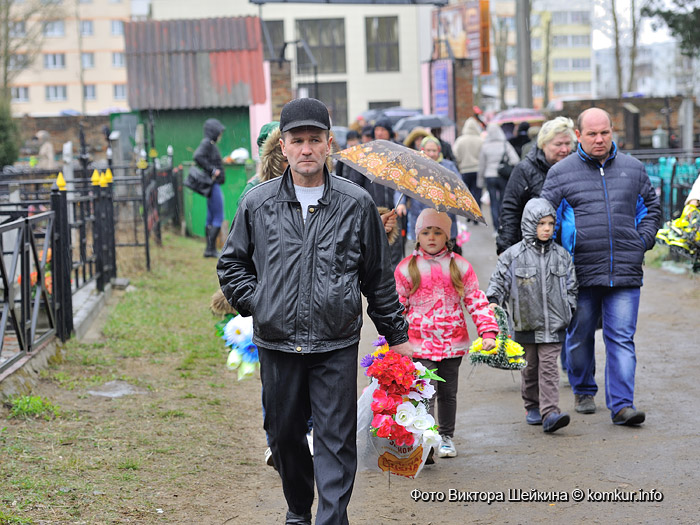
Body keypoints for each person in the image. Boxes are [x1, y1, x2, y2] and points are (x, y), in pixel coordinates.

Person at [217, 98, 411, 525]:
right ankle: (298, 509)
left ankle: (330, 519)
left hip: (335, 340)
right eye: (298, 140)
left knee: (335, 440)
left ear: (329, 145)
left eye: (315, 140)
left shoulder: (355, 204)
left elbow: (378, 277)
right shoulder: (258, 203)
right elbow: (232, 264)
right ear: (282, 146)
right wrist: (260, 302)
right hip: (277, 341)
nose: (307, 149)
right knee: (284, 436)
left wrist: (398, 338)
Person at [540, 107, 661, 425]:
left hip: (625, 271)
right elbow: (543, 216)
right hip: (578, 273)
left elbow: (652, 207)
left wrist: (642, 241)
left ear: (612, 131)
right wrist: (557, 258)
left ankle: (622, 405)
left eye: (604, 132)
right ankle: (582, 388)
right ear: (578, 135)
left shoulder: (633, 169)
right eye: (592, 133)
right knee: (579, 336)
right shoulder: (562, 173)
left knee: (621, 338)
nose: (599, 139)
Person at [394, 208, 497, 458]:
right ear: (417, 236)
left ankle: (446, 436)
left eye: (437, 232)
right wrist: (394, 338)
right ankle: (427, 440)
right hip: (419, 343)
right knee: (425, 392)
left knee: (448, 393)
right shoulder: (407, 269)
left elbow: (475, 299)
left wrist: (488, 332)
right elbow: (396, 306)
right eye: (426, 232)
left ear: (447, 237)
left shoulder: (459, 266)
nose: (431, 237)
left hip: (452, 341)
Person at [486, 198, 578, 433]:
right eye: (541, 224)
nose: (546, 228)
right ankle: (532, 405)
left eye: (550, 223)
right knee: (530, 369)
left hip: (554, 326)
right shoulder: (513, 256)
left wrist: (570, 307)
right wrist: (494, 301)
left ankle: (550, 412)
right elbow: (498, 282)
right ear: (529, 225)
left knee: (549, 369)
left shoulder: (562, 256)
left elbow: (572, 285)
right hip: (525, 325)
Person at [496, 116, 576, 255]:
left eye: (568, 143)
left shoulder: (578, 167)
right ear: (543, 144)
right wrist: (506, 250)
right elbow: (511, 210)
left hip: (573, 252)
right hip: (537, 252)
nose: (565, 149)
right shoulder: (525, 170)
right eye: (558, 144)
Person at [395, 136, 461, 254]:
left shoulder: (448, 166)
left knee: (445, 251)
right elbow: (402, 186)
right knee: (423, 251)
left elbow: (459, 187)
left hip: (444, 214)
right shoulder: (414, 167)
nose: (431, 154)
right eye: (428, 150)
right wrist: (401, 204)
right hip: (420, 213)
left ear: (439, 150)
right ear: (422, 150)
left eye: (434, 151)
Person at [478, 122, 520, 233]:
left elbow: (481, 165)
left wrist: (480, 181)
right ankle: (503, 225)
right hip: (502, 176)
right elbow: (515, 160)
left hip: (489, 176)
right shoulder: (505, 144)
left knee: (493, 202)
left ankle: (496, 228)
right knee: (503, 201)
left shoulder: (485, 146)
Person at [193, 118, 226, 258]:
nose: (220, 135)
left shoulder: (209, 144)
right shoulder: (207, 143)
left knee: (211, 217)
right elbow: (197, 157)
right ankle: (211, 249)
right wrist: (213, 170)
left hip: (212, 185)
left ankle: (209, 249)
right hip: (213, 185)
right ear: (213, 131)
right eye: (219, 132)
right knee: (218, 216)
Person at [453, 117, 484, 215]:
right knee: (477, 192)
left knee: (467, 193)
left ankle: (468, 213)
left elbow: (455, 155)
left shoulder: (460, 141)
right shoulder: (480, 140)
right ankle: (477, 212)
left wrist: (460, 163)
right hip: (477, 169)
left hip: (465, 170)